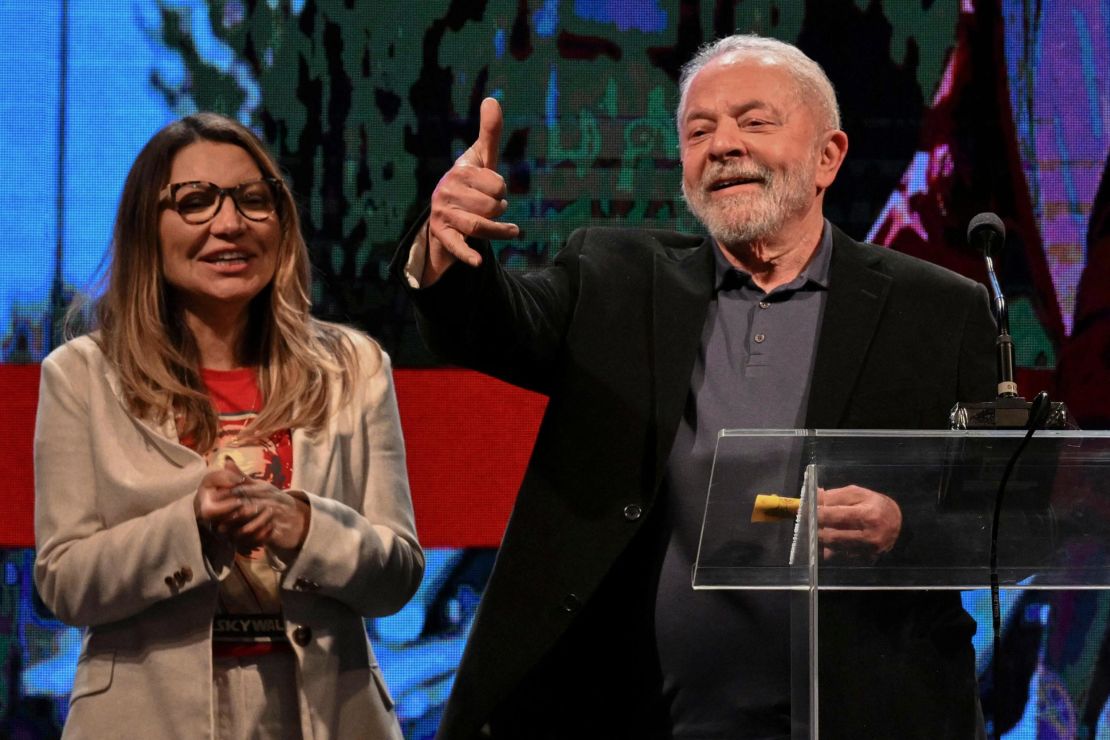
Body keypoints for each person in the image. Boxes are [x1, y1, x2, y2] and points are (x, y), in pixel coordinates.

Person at [395, 33, 1000, 739]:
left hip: (871, 711)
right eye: (699, 130)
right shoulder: (613, 277)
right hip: (633, 717)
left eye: (754, 121)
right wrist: (446, 246)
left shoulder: (939, 309)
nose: (723, 144)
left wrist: (907, 527)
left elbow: (1013, 510)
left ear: (828, 157)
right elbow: (487, 326)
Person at [34, 112, 424, 739]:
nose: (229, 223)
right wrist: (188, 526)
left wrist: (308, 528)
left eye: (252, 199)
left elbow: (398, 573)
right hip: (145, 718)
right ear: (147, 231)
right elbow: (65, 581)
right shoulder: (81, 376)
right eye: (194, 202)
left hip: (324, 717)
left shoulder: (355, 366)